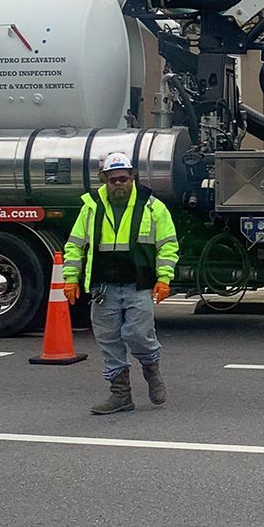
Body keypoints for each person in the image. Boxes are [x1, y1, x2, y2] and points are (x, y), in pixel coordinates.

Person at [63, 153, 180, 415]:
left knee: (139, 334)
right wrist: (71, 279)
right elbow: (75, 245)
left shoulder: (152, 207)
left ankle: (151, 370)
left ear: (132, 177)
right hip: (104, 287)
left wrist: (164, 278)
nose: (119, 184)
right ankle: (121, 394)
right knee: (109, 340)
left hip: (138, 285)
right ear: (104, 179)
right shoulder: (91, 207)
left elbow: (168, 245)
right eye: (113, 179)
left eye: (124, 179)